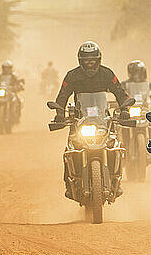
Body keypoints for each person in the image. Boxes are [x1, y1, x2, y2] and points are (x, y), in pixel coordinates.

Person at [54, 41, 129, 198]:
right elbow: (62, 95)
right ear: (80, 60)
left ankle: (117, 181)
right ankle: (69, 184)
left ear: (98, 59)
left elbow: (120, 92)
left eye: (92, 60)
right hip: (79, 120)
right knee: (70, 150)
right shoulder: (72, 76)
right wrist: (59, 113)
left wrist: (125, 110)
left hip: (104, 120)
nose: (89, 63)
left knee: (115, 146)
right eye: (86, 60)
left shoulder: (107, 74)